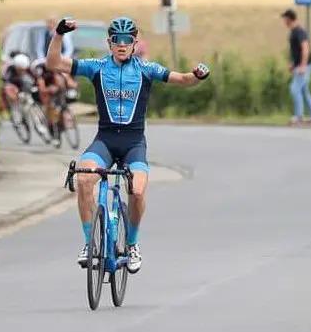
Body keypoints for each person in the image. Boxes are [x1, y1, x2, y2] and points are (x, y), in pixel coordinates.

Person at [46, 17, 210, 273]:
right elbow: (54, 63)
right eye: (116, 40)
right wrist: (59, 34)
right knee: (84, 178)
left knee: (137, 190)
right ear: (109, 43)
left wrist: (198, 75)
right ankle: (90, 243)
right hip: (106, 141)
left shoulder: (146, 69)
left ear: (135, 43)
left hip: (133, 142)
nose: (121, 45)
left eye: (127, 40)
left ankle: (132, 243)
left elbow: (182, 79)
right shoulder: (97, 67)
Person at [281, 9, 311, 125]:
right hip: (300, 65)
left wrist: (303, 66)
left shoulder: (299, 32)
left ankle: (298, 116)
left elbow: (305, 48)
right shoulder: (293, 32)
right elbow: (296, 51)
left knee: (294, 89)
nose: (284, 21)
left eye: (284, 18)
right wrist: (293, 64)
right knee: (304, 91)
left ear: (289, 19)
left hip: (305, 65)